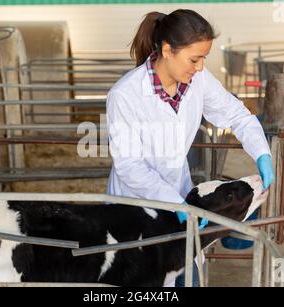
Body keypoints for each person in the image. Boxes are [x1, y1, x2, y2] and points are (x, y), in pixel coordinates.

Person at [105, 9, 274, 287]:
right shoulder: (125, 95)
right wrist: (174, 202)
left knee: (187, 277)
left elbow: (237, 115)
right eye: (194, 59)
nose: (198, 67)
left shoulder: (199, 80)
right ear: (168, 50)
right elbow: (130, 166)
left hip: (181, 198)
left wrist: (261, 153)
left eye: (203, 59)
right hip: (135, 208)